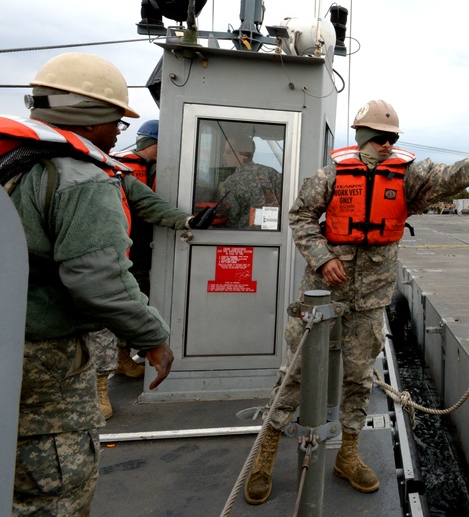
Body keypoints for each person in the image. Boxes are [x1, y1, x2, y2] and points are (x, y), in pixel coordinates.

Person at [244, 99, 469, 504]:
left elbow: (455, 174)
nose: (387, 145)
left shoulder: (407, 178)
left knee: (359, 375)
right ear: (362, 138)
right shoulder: (329, 175)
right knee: (295, 372)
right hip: (322, 291)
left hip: (370, 295)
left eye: (392, 139)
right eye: (380, 139)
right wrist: (323, 257)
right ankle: (266, 452)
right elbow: (300, 217)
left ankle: (348, 453)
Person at [0, 52, 175, 515]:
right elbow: (99, 281)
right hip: (42, 361)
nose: (118, 132)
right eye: (115, 121)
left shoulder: (16, 161)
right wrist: (153, 336)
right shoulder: (80, 177)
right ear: (89, 116)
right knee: (54, 489)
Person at [82, 119, 193, 420]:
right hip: (98, 259)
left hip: (136, 255)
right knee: (102, 321)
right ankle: (99, 389)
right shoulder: (108, 170)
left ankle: (121, 360)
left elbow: (151, 205)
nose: (119, 133)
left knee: (128, 308)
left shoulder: (121, 173)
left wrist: (187, 221)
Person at [215, 131, 282, 229]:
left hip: (246, 237)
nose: (224, 155)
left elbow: (231, 218)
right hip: (276, 235)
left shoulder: (233, 181)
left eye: (228, 151)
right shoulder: (273, 173)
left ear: (243, 153)